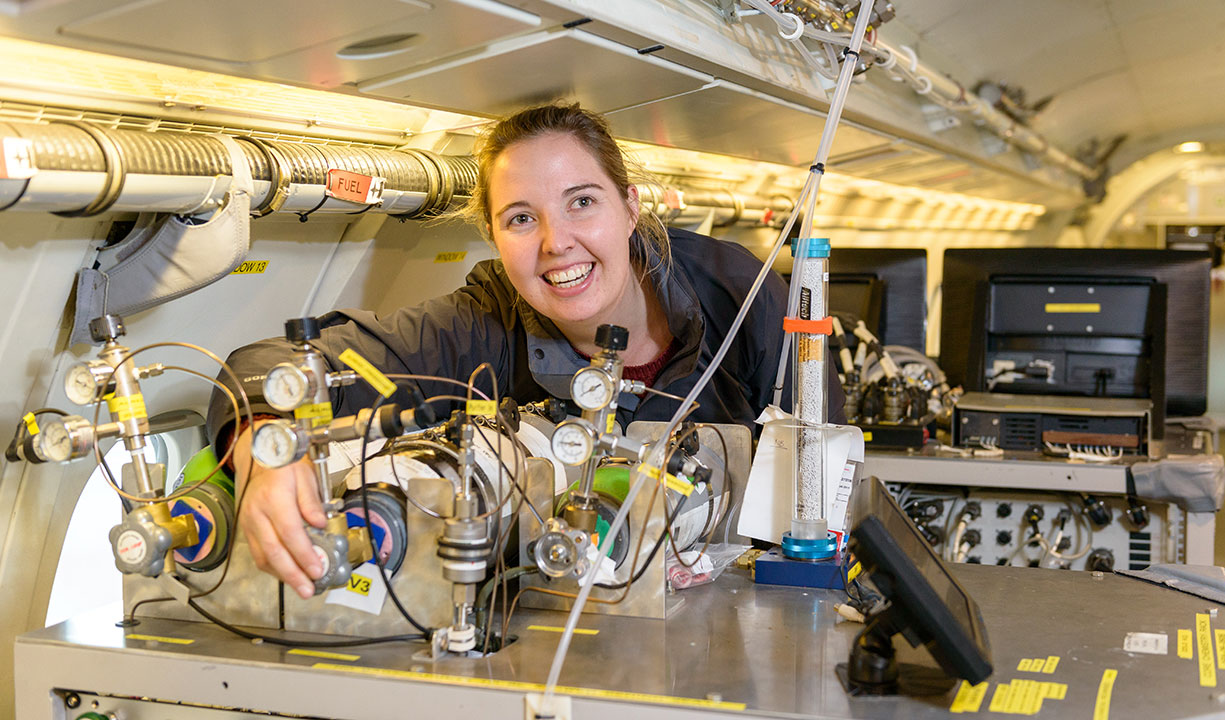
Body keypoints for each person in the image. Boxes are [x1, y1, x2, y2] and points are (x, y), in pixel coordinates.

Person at [208, 103, 843, 597]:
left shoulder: (742, 297)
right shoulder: (480, 324)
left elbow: (827, 479)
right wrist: (268, 446)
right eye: (520, 218)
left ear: (630, 208)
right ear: (493, 236)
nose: (555, 242)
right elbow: (281, 363)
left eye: (582, 203)